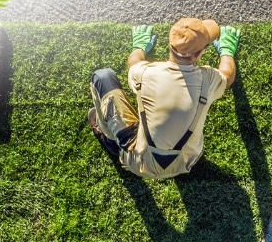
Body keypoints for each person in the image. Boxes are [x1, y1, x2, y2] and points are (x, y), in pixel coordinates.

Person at [88, 18, 240, 179]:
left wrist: (139, 46)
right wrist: (226, 51)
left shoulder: (144, 72)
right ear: (199, 53)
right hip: (186, 161)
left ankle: (111, 141)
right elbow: (228, 75)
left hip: (139, 162)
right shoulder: (208, 80)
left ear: (170, 44)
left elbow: (134, 62)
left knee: (103, 76)